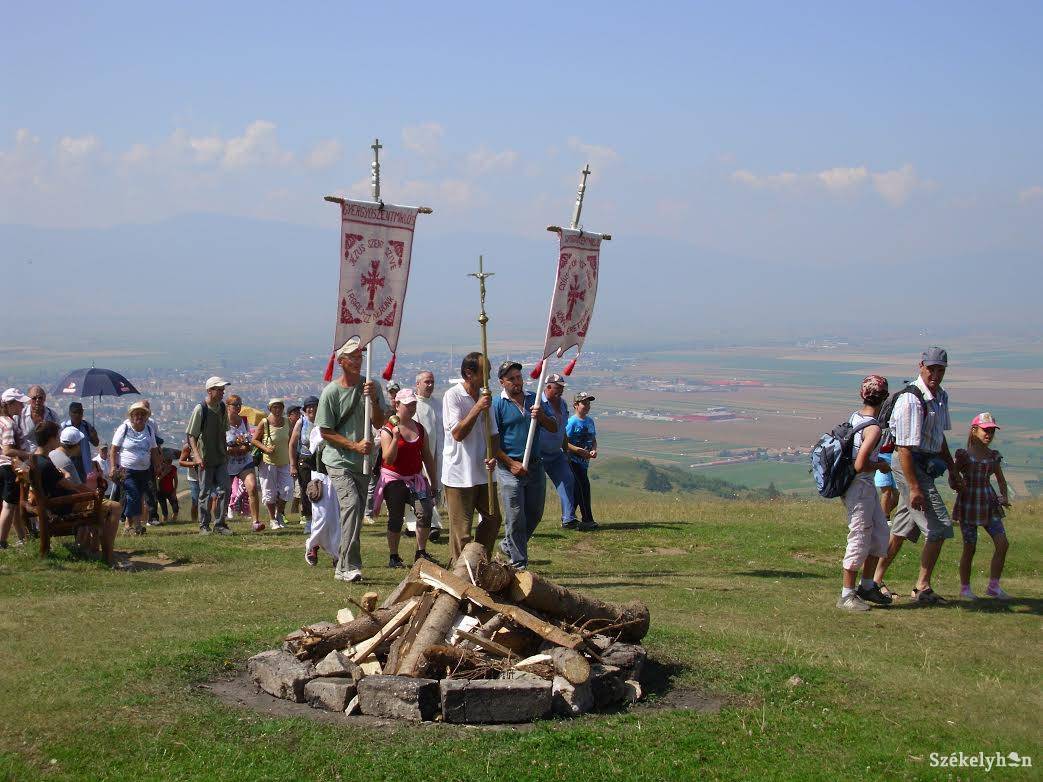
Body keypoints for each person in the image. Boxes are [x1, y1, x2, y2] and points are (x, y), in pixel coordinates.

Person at [872, 348, 965, 604]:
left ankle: (874, 581)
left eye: (941, 369)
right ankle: (922, 588)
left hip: (923, 465)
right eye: (931, 368)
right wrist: (914, 487)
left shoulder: (940, 397)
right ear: (921, 366)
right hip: (910, 465)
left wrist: (952, 469)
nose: (936, 374)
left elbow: (938, 438)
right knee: (938, 527)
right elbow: (903, 448)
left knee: (901, 526)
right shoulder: (912, 400)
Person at [316, 338, 385, 583]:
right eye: (353, 357)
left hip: (363, 461)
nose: (359, 360)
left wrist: (374, 399)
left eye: (360, 356)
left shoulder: (371, 386)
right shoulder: (331, 392)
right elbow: (325, 431)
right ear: (341, 361)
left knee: (354, 513)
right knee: (353, 505)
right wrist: (354, 445)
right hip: (338, 460)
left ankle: (343, 562)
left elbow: (379, 422)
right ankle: (348, 565)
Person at [835, 376, 894, 611]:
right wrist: (880, 465)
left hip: (859, 487)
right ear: (885, 398)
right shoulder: (874, 428)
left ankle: (867, 586)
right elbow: (861, 464)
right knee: (860, 535)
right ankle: (847, 594)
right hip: (860, 486)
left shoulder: (855, 418)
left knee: (880, 532)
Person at [493, 360, 557, 570]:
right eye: (511, 379)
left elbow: (554, 426)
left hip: (535, 465)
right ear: (502, 382)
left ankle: (508, 545)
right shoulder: (498, 405)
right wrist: (511, 464)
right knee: (515, 515)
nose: (517, 382)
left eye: (519, 377)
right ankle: (519, 563)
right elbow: (492, 442)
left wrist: (541, 417)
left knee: (535, 513)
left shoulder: (535, 399)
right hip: (510, 468)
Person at [441, 352, 501, 562]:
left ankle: (479, 563)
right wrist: (477, 408)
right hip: (459, 474)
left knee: (493, 519)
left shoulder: (487, 397)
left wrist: (493, 455)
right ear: (469, 373)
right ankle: (459, 574)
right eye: (485, 373)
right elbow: (457, 434)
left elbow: (493, 433)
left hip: (484, 472)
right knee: (462, 531)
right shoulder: (453, 396)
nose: (489, 378)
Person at [33, 421, 119, 564]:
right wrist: (66, 475)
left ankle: (94, 549)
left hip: (53, 505)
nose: (59, 439)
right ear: (51, 439)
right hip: (64, 506)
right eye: (57, 436)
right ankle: (108, 556)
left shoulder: (37, 459)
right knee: (114, 507)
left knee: (107, 506)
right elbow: (71, 485)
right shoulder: (47, 464)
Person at [373, 388, 440, 568]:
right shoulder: (387, 430)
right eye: (408, 405)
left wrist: (433, 481)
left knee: (425, 511)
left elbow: (427, 456)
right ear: (397, 405)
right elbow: (388, 458)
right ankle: (394, 556)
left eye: (414, 405)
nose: (411, 408)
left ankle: (421, 552)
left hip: (415, 478)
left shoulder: (419, 428)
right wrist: (396, 437)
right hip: (394, 480)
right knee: (396, 517)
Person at [953, 413, 1012, 600]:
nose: (989, 434)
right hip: (969, 503)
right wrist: (957, 483)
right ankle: (965, 588)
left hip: (989, 503)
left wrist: (1004, 496)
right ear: (974, 430)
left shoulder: (993, 457)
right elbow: (953, 476)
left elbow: (1001, 480)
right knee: (970, 547)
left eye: (992, 431)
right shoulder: (964, 456)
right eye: (986, 430)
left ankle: (994, 586)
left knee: (1002, 544)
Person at [186, 377, 232, 535]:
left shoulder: (222, 408)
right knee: (205, 491)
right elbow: (191, 435)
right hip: (205, 457)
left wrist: (225, 452)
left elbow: (224, 431)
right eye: (219, 389)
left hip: (220, 456)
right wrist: (197, 456)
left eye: (222, 389)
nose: (222, 392)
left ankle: (220, 524)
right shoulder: (201, 409)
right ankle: (204, 525)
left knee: (225, 489)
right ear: (209, 391)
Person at [111, 401, 161, 536]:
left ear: (146, 416)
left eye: (142, 414)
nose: (139, 417)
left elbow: (154, 449)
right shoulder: (124, 428)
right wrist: (112, 467)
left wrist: (157, 465)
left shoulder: (149, 429)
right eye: (136, 414)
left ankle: (128, 525)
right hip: (127, 470)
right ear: (131, 416)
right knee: (133, 495)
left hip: (144, 470)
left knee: (136, 497)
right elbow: (114, 449)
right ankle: (138, 525)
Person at [539, 373, 578, 529]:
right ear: (548, 386)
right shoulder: (538, 403)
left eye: (562, 388)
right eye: (557, 387)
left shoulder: (562, 404)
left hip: (556, 453)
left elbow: (562, 430)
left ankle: (568, 518)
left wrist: (566, 449)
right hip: (539, 454)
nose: (560, 391)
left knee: (568, 479)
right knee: (536, 488)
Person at [412, 370, 445, 540]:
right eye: (427, 382)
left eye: (432, 382)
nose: (430, 385)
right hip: (418, 455)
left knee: (433, 487)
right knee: (422, 489)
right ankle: (431, 525)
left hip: (437, 453)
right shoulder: (413, 405)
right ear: (418, 384)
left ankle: (419, 524)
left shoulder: (438, 404)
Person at [253, 398, 293, 529]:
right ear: (270, 408)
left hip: (284, 461)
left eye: (280, 407)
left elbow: (291, 440)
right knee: (269, 491)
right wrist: (265, 449)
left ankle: (279, 514)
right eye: (275, 407)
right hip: (268, 462)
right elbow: (255, 440)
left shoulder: (287, 422)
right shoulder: (265, 422)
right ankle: (272, 519)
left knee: (287, 489)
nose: (277, 410)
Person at [225, 394, 263, 532]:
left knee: (252, 487)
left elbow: (249, 441)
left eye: (240, 404)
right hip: (228, 463)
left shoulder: (244, 421)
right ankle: (220, 521)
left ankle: (256, 521)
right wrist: (236, 448)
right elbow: (223, 447)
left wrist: (245, 447)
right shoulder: (223, 423)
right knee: (224, 493)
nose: (238, 407)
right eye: (235, 404)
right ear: (228, 406)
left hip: (244, 462)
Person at [1, 388, 33, 549]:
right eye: (19, 402)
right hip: (8, 467)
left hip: (4, 467)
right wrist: (28, 455)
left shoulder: (3, 421)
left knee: (11, 504)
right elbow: (7, 450)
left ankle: (22, 537)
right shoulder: (8, 424)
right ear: (10, 404)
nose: (22, 406)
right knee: (9, 505)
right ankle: (2, 542)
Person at [566, 391, 600, 531]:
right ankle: (587, 520)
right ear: (576, 405)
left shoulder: (590, 421)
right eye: (584, 403)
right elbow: (564, 442)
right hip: (572, 460)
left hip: (584, 462)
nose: (587, 406)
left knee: (576, 490)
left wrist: (594, 449)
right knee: (583, 487)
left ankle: (568, 518)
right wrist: (579, 451)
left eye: (588, 403)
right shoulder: (572, 422)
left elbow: (593, 440)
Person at [289, 396, 319, 533]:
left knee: (322, 489)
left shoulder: (323, 421)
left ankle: (321, 519)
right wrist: (293, 465)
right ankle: (308, 520)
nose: (311, 409)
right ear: (305, 410)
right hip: (305, 460)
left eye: (314, 406)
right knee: (306, 490)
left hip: (320, 460)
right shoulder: (301, 422)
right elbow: (293, 444)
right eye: (309, 407)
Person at [61, 402, 99, 483]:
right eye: (75, 412)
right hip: (69, 460)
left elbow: (96, 443)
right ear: (70, 413)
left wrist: (93, 436)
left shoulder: (86, 426)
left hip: (83, 461)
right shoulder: (64, 426)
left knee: (82, 485)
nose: (77, 415)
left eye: (80, 412)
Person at [18, 385, 59, 452]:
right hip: (27, 456)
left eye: (40, 398)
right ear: (28, 399)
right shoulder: (20, 415)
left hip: (47, 457)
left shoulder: (52, 415)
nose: (37, 400)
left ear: (44, 399)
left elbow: (57, 436)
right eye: (34, 398)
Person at [179, 440, 201, 525]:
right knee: (195, 501)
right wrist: (194, 463)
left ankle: (206, 519)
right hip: (194, 478)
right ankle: (194, 521)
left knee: (209, 499)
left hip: (207, 477)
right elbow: (181, 461)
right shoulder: (187, 447)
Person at [156, 455, 180, 522]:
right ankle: (165, 522)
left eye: (170, 461)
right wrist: (164, 473)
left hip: (170, 491)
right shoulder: (159, 469)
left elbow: (176, 480)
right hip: (160, 492)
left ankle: (173, 521)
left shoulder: (173, 468)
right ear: (163, 462)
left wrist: (174, 491)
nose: (170, 463)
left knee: (176, 508)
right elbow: (156, 480)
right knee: (164, 511)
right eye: (168, 461)